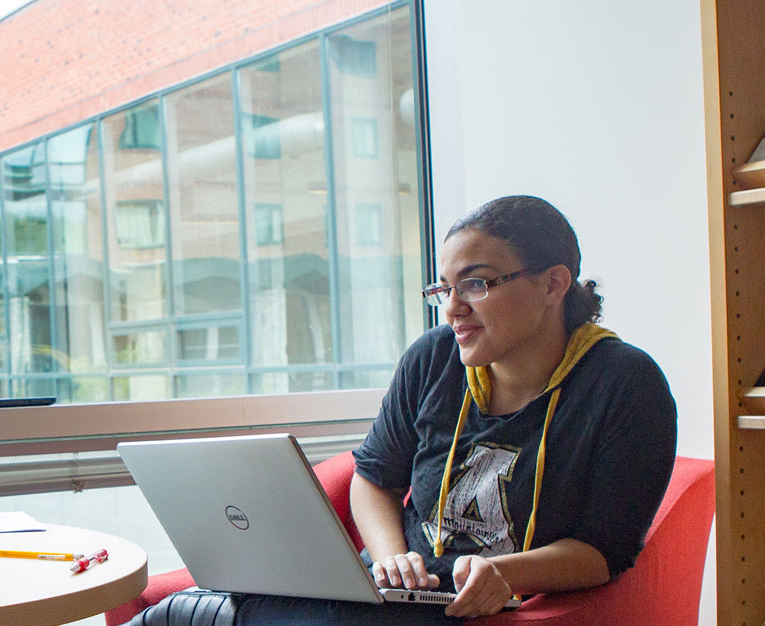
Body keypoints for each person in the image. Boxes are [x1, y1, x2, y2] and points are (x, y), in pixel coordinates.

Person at [131, 195, 677, 625]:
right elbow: (372, 478)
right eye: (445, 288)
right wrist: (392, 557)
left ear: (553, 283)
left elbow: (604, 551)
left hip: (475, 604)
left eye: (477, 284)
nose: (454, 308)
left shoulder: (626, 384)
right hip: (398, 591)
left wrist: (503, 573)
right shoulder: (434, 358)